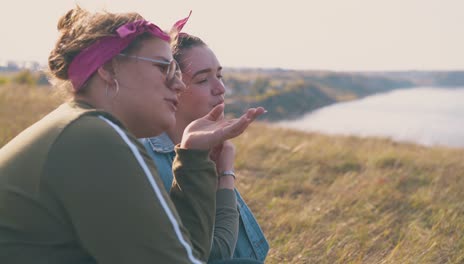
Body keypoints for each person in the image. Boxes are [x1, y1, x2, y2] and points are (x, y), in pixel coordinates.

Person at [0, 7, 265, 264]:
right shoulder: (95, 138)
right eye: (164, 68)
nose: (178, 83)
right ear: (108, 69)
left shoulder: (80, 126)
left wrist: (194, 156)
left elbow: (187, 253)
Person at [141, 33, 269, 263]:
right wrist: (225, 175)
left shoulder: (209, 151)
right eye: (202, 80)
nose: (220, 88)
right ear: (170, 86)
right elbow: (211, 254)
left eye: (219, 75)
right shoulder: (149, 162)